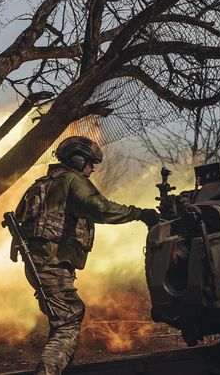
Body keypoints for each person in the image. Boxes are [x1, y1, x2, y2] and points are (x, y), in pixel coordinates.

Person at [13, 136, 160, 375]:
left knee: (63, 320)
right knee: (69, 319)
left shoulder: (44, 183)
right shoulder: (72, 180)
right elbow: (100, 208)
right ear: (78, 160)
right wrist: (140, 213)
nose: (92, 169)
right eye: (90, 163)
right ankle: (48, 371)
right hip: (52, 264)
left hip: (42, 263)